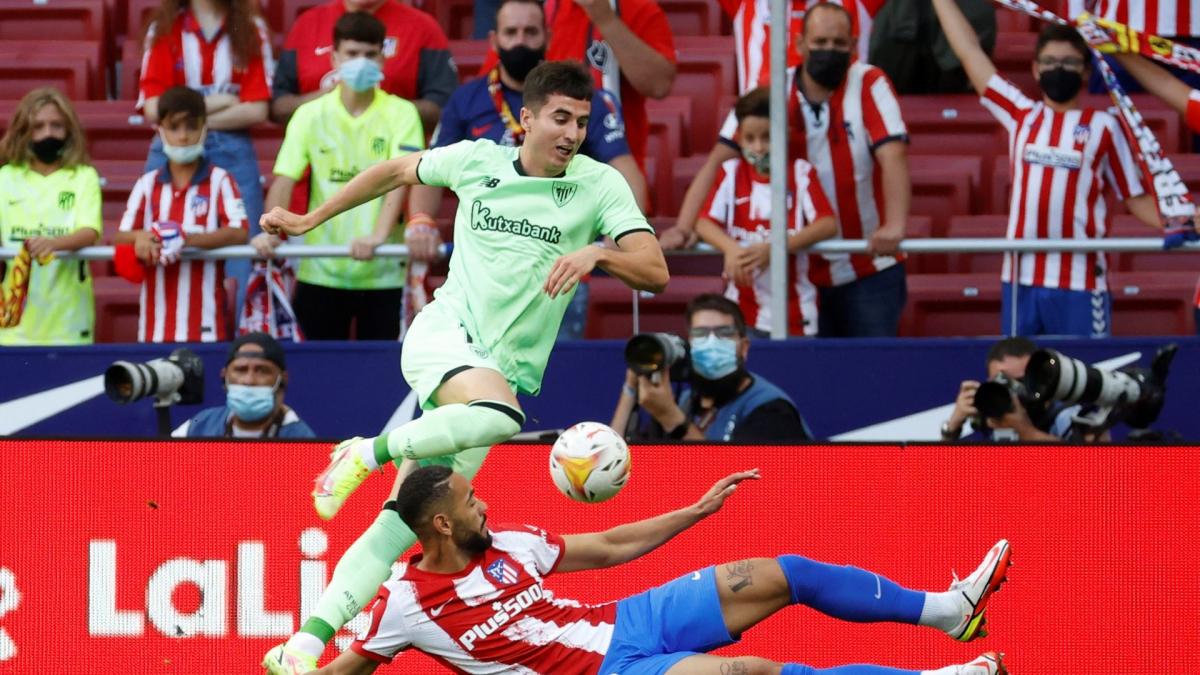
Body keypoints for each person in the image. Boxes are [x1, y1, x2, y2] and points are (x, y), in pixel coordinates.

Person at [259, 61, 669, 673]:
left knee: (401, 528)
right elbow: (398, 169)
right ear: (526, 119)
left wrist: (598, 253)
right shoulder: (478, 160)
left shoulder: (600, 185)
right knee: (502, 416)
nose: (572, 132)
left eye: (582, 122)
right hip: (445, 334)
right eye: (560, 117)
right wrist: (309, 218)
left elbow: (656, 271)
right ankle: (366, 453)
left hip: (495, 376)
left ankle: (304, 645)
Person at [299, 464, 1012, 675]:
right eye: (470, 497)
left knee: (778, 572)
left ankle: (948, 612)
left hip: (624, 620)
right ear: (442, 524)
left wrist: (694, 511)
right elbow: (348, 671)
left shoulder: (509, 542)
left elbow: (607, 546)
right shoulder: (404, 601)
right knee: (754, 674)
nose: (485, 500)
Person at [669, 4, 910, 337]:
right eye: (820, 42)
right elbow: (720, 158)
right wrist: (683, 226)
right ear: (799, 44)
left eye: (839, 44)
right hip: (796, 275)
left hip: (866, 266)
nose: (829, 51)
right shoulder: (773, 88)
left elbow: (893, 154)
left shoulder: (870, 82)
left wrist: (894, 226)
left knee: (870, 376)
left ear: (854, 46)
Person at [933, 0, 1165, 338]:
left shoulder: (1103, 126)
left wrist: (1183, 221)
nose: (1060, 69)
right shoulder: (1020, 114)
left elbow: (1136, 198)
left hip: (1081, 281)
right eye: (1051, 62)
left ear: (1087, 72)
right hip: (1020, 277)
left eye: (1070, 63)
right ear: (1035, 69)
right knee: (1020, 383)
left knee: (1084, 381)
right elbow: (970, 53)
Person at [251, 12, 425, 340]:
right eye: (352, 54)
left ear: (383, 58)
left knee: (381, 377)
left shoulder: (403, 113)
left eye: (370, 54)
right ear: (334, 58)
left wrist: (377, 236)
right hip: (319, 270)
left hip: (382, 271)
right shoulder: (308, 115)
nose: (361, 62)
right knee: (317, 377)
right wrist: (273, 229)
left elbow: (401, 179)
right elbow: (285, 179)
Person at [138, 0, 273, 311]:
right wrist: (225, 99)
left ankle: (236, 341)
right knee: (160, 240)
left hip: (232, 145)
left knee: (244, 245)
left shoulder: (251, 27)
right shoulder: (165, 27)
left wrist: (187, 120)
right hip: (170, 147)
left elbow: (256, 109)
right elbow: (152, 107)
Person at [693, 87, 837, 337]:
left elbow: (827, 224)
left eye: (767, 137)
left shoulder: (801, 173)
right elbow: (704, 223)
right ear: (739, 138)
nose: (758, 147)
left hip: (796, 314)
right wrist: (730, 248)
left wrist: (776, 248)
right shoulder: (730, 173)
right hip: (741, 313)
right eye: (750, 138)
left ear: (785, 135)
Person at [115, 86, 249, 343]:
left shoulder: (221, 180)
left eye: (191, 126)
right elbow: (121, 235)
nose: (184, 136)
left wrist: (186, 239)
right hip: (154, 328)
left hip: (208, 326)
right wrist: (142, 237)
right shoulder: (147, 183)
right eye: (174, 127)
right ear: (160, 131)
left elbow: (239, 232)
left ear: (204, 128)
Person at [611, 294, 813, 442]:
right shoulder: (683, 402)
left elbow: (746, 487)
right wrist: (630, 389)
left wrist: (671, 418)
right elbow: (613, 467)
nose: (711, 342)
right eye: (700, 334)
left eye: (724, 333)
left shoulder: (769, 407)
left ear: (743, 347)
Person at [0, 88, 102, 346]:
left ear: (69, 131)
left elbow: (89, 231)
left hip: (69, 320)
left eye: (56, 126)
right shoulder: (5, 178)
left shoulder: (83, 176)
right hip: (14, 324)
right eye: (39, 126)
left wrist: (53, 244)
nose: (48, 134)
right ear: (24, 131)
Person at [270, 0, 457, 132]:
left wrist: (376, 106)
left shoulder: (424, 28)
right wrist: (336, 97)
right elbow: (279, 107)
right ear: (333, 57)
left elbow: (443, 108)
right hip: (317, 164)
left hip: (392, 164)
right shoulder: (306, 24)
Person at [173, 332, 315, 437]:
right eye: (241, 370)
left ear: (282, 379)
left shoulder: (300, 439)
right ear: (224, 376)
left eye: (262, 371)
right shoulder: (200, 426)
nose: (249, 380)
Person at [940, 336, 1079, 442]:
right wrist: (951, 429)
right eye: (999, 382)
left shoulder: (1064, 416)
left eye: (1019, 382)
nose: (1010, 391)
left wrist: (1026, 431)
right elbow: (939, 475)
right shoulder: (988, 413)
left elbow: (1085, 468)